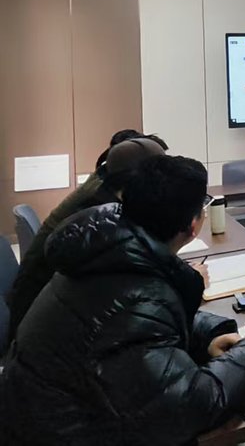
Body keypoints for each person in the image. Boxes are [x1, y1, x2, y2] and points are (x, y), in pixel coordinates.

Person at [0, 156, 245, 446]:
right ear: (194, 225)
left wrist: (205, 337)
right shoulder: (138, 291)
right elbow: (186, 408)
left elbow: (135, 326)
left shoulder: (103, 247)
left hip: (40, 416)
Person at [6, 136, 168, 338]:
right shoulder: (99, 217)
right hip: (47, 328)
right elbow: (127, 278)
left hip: (40, 313)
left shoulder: (101, 191)